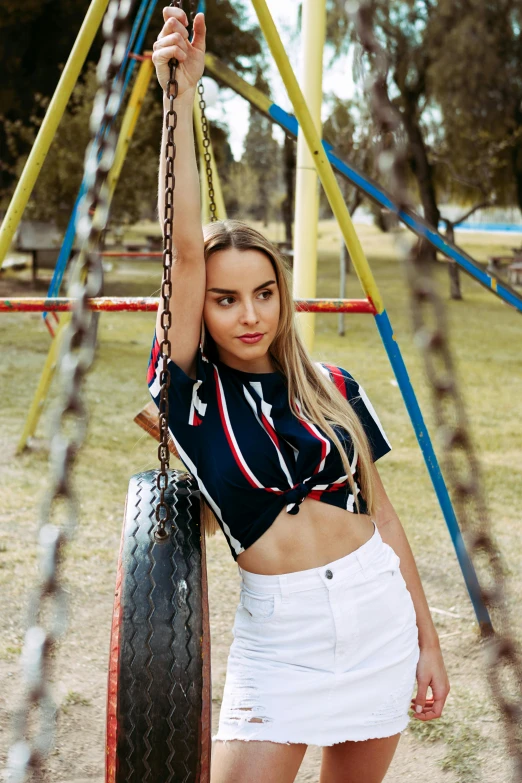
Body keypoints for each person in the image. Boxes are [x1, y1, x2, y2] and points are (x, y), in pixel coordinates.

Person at [149, 7, 449, 783]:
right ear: (201, 308)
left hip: (377, 615)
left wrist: (428, 638)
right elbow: (184, 250)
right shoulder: (193, 396)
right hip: (281, 639)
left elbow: (382, 515)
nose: (248, 314)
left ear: (282, 297)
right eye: (224, 299)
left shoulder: (334, 386)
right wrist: (178, 99)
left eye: (264, 293)